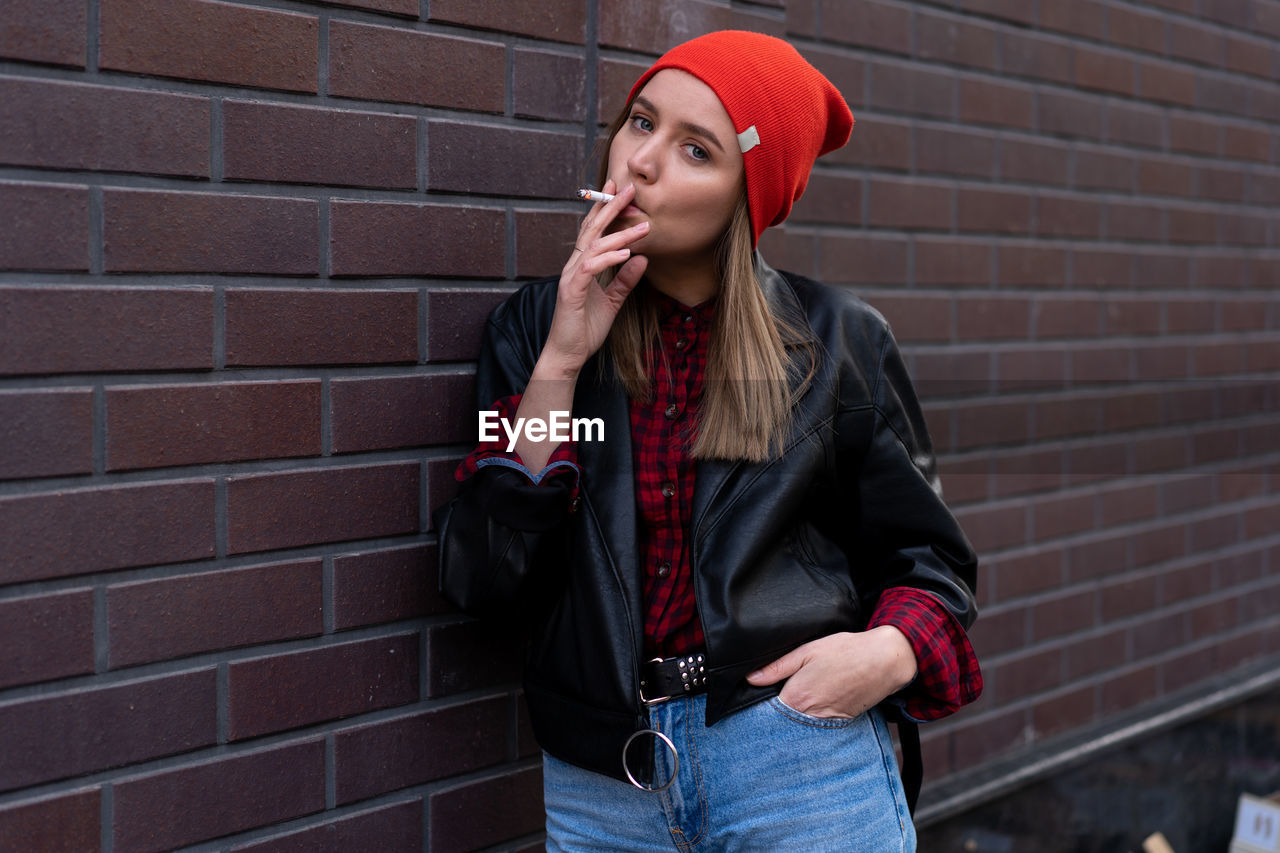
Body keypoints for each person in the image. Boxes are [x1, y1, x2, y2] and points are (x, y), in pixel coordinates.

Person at [433, 30, 982, 852]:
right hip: (603, 782)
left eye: (696, 149)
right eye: (640, 122)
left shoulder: (838, 341)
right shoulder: (532, 328)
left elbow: (932, 565)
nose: (643, 162)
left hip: (791, 754)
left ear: (746, 196)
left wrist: (882, 656)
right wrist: (563, 359)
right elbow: (483, 577)